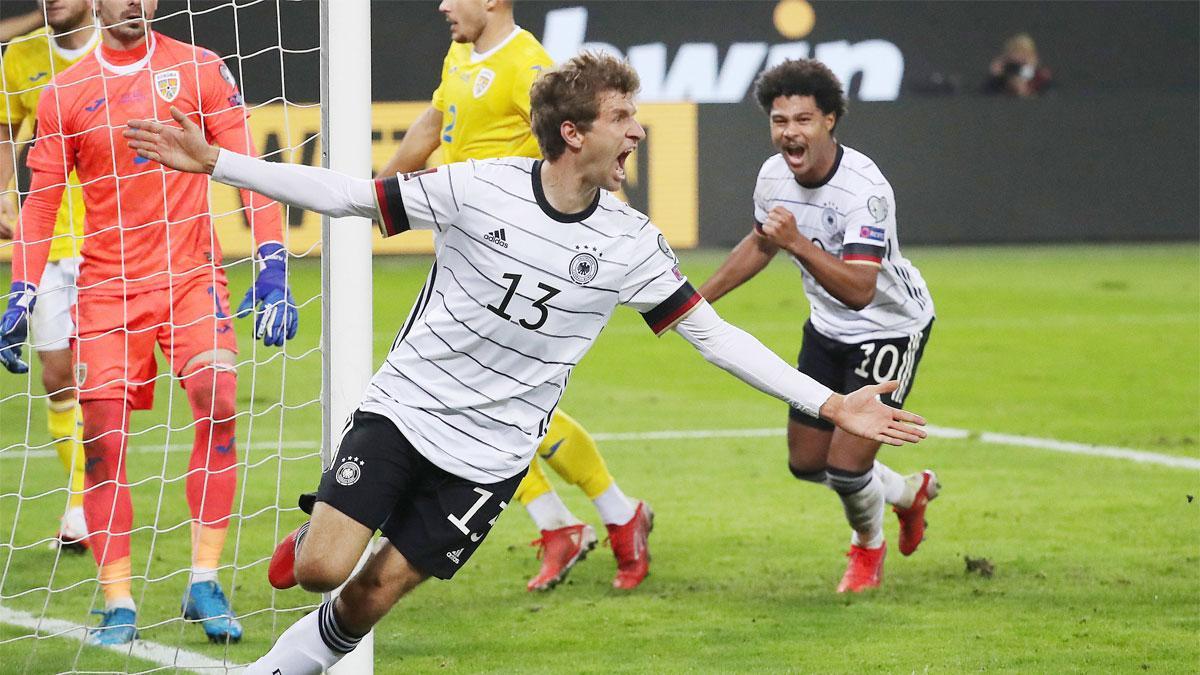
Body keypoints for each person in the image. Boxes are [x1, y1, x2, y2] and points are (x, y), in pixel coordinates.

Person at [126, 52, 927, 673]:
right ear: (576, 132)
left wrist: (831, 403)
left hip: (493, 457)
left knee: (371, 594)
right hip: (407, 410)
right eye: (624, 116)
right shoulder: (479, 189)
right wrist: (217, 163)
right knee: (319, 569)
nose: (638, 130)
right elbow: (348, 197)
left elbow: (715, 336)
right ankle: (315, 532)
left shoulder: (632, 243)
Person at [0, 0, 296, 646]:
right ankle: (117, 601)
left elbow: (249, 164)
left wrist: (272, 260)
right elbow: (42, 201)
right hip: (106, 286)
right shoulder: (64, 94)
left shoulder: (201, 69)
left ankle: (204, 579)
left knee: (218, 399)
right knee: (102, 438)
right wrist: (22, 288)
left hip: (192, 275)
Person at [377, 0, 651, 592]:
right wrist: (381, 195)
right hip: (465, 245)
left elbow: (568, 156)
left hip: (518, 254)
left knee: (498, 404)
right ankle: (581, 521)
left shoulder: (529, 66)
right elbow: (433, 120)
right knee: (480, 403)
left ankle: (606, 516)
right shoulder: (462, 50)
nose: (444, 5)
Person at [698, 59, 939, 593]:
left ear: (830, 120)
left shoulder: (864, 191)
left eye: (803, 119)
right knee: (807, 463)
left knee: (849, 470)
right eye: (780, 120)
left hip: (888, 327)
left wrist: (798, 244)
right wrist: (695, 302)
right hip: (826, 328)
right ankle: (907, 493)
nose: (790, 132)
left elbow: (859, 290)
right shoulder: (771, 176)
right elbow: (760, 243)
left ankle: (867, 551)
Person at [0, 0, 98, 553]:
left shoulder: (121, 46)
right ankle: (84, 496)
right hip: (49, 237)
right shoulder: (21, 57)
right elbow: (4, 127)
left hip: (114, 235)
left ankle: (90, 504)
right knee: (58, 375)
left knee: (108, 381)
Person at [984, 33, 1052, 97]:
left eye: (1025, 53)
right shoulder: (999, 80)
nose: (1019, 58)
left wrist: (1025, 88)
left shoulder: (1042, 78)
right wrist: (995, 77)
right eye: (1016, 52)